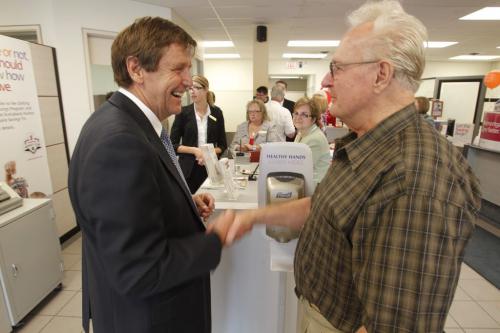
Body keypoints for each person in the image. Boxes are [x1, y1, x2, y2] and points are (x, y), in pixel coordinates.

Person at [224, 1, 481, 332]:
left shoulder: (414, 176)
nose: (327, 81)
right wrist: (254, 217)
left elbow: (395, 325)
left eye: (337, 67)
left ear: (381, 74)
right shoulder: (368, 144)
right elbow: (325, 208)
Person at [68, 17, 234, 333]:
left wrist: (183, 203)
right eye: (178, 69)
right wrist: (215, 239)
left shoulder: (123, 123)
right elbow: (139, 269)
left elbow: (128, 216)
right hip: (149, 319)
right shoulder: (120, 142)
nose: (188, 81)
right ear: (136, 69)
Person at [170, 75, 227, 193]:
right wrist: (196, 151)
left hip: (211, 168)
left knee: (211, 204)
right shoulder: (183, 112)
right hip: (188, 170)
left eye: (196, 87)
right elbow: (173, 144)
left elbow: (222, 145)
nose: (192, 91)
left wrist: (207, 154)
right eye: (190, 88)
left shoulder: (216, 113)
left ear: (206, 89)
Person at [293, 97, 330, 184]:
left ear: (313, 119)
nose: (298, 117)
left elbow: (300, 169)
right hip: (303, 182)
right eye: (296, 113)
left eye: (304, 115)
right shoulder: (301, 133)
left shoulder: (315, 139)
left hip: (314, 188)